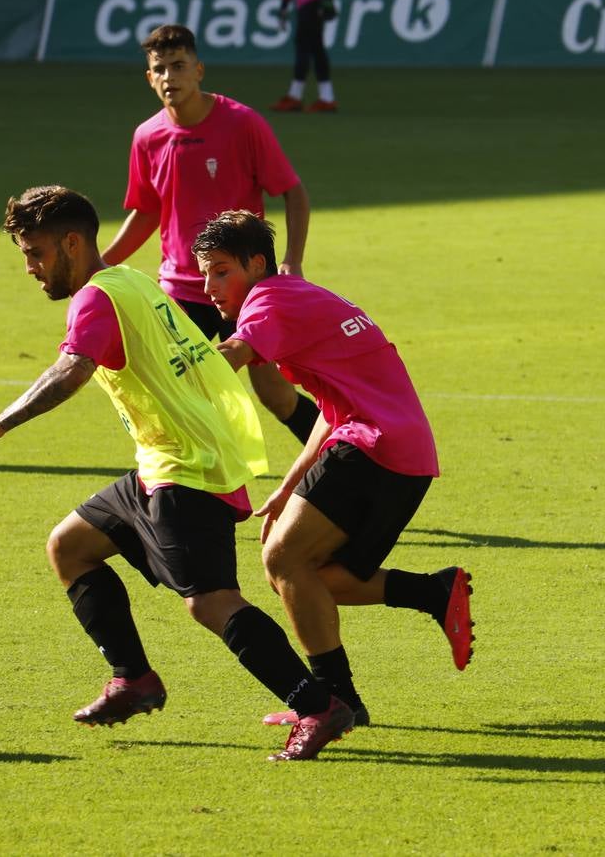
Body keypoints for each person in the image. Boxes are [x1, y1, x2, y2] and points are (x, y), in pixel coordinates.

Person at [0, 186, 352, 761]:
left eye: (36, 253)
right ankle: (133, 679)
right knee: (71, 546)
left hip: (185, 467)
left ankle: (316, 705)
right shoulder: (132, 280)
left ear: (70, 243)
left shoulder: (95, 299)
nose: (32, 268)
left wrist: (0, 423)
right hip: (167, 459)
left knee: (211, 601)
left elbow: (72, 369)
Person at [193, 209, 474, 728]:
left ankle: (332, 703)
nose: (210, 285)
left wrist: (175, 374)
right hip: (403, 454)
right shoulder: (301, 297)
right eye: (205, 272)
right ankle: (432, 592)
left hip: (375, 446)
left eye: (221, 270)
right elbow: (330, 408)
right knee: (311, 580)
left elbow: (233, 351)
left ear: (257, 265)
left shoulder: (270, 299)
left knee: (282, 559)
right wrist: (288, 486)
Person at [101, 23, 322, 448]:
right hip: (183, 288)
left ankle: (337, 456)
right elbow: (147, 211)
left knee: (273, 393)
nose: (170, 77)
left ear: (199, 70)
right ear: (150, 77)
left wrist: (292, 261)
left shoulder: (242, 124)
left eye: (179, 66)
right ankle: (193, 480)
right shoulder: (147, 137)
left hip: (246, 285)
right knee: (177, 389)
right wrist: (101, 266)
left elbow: (293, 192)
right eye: (160, 69)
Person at [270, 0, 338, 114]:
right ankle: (326, 97)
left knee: (304, 46)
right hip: (307, 1)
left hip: (313, 0)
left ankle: (297, 96)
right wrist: (285, 3)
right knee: (315, 47)